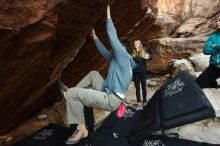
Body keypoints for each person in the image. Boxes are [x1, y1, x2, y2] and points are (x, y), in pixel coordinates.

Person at [61, 5, 136, 145]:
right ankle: (74, 94)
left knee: (72, 94)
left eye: (118, 47)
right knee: (94, 74)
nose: (114, 49)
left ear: (123, 49)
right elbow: (104, 53)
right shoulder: (118, 61)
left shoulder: (124, 58)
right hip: (108, 92)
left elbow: (113, 39)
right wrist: (95, 37)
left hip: (111, 99)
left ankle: (82, 129)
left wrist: (108, 16)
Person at [196, 17, 220, 88]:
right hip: (215, 66)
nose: (218, 22)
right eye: (217, 20)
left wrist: (215, 46)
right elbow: (206, 51)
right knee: (198, 84)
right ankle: (216, 84)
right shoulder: (212, 37)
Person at [131, 40, 148, 110]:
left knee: (144, 87)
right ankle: (138, 103)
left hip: (143, 72)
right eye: (134, 43)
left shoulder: (143, 52)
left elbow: (151, 57)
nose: (135, 44)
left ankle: (144, 102)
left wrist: (148, 57)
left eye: (137, 43)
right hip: (136, 73)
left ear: (140, 44)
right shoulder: (132, 53)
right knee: (137, 88)